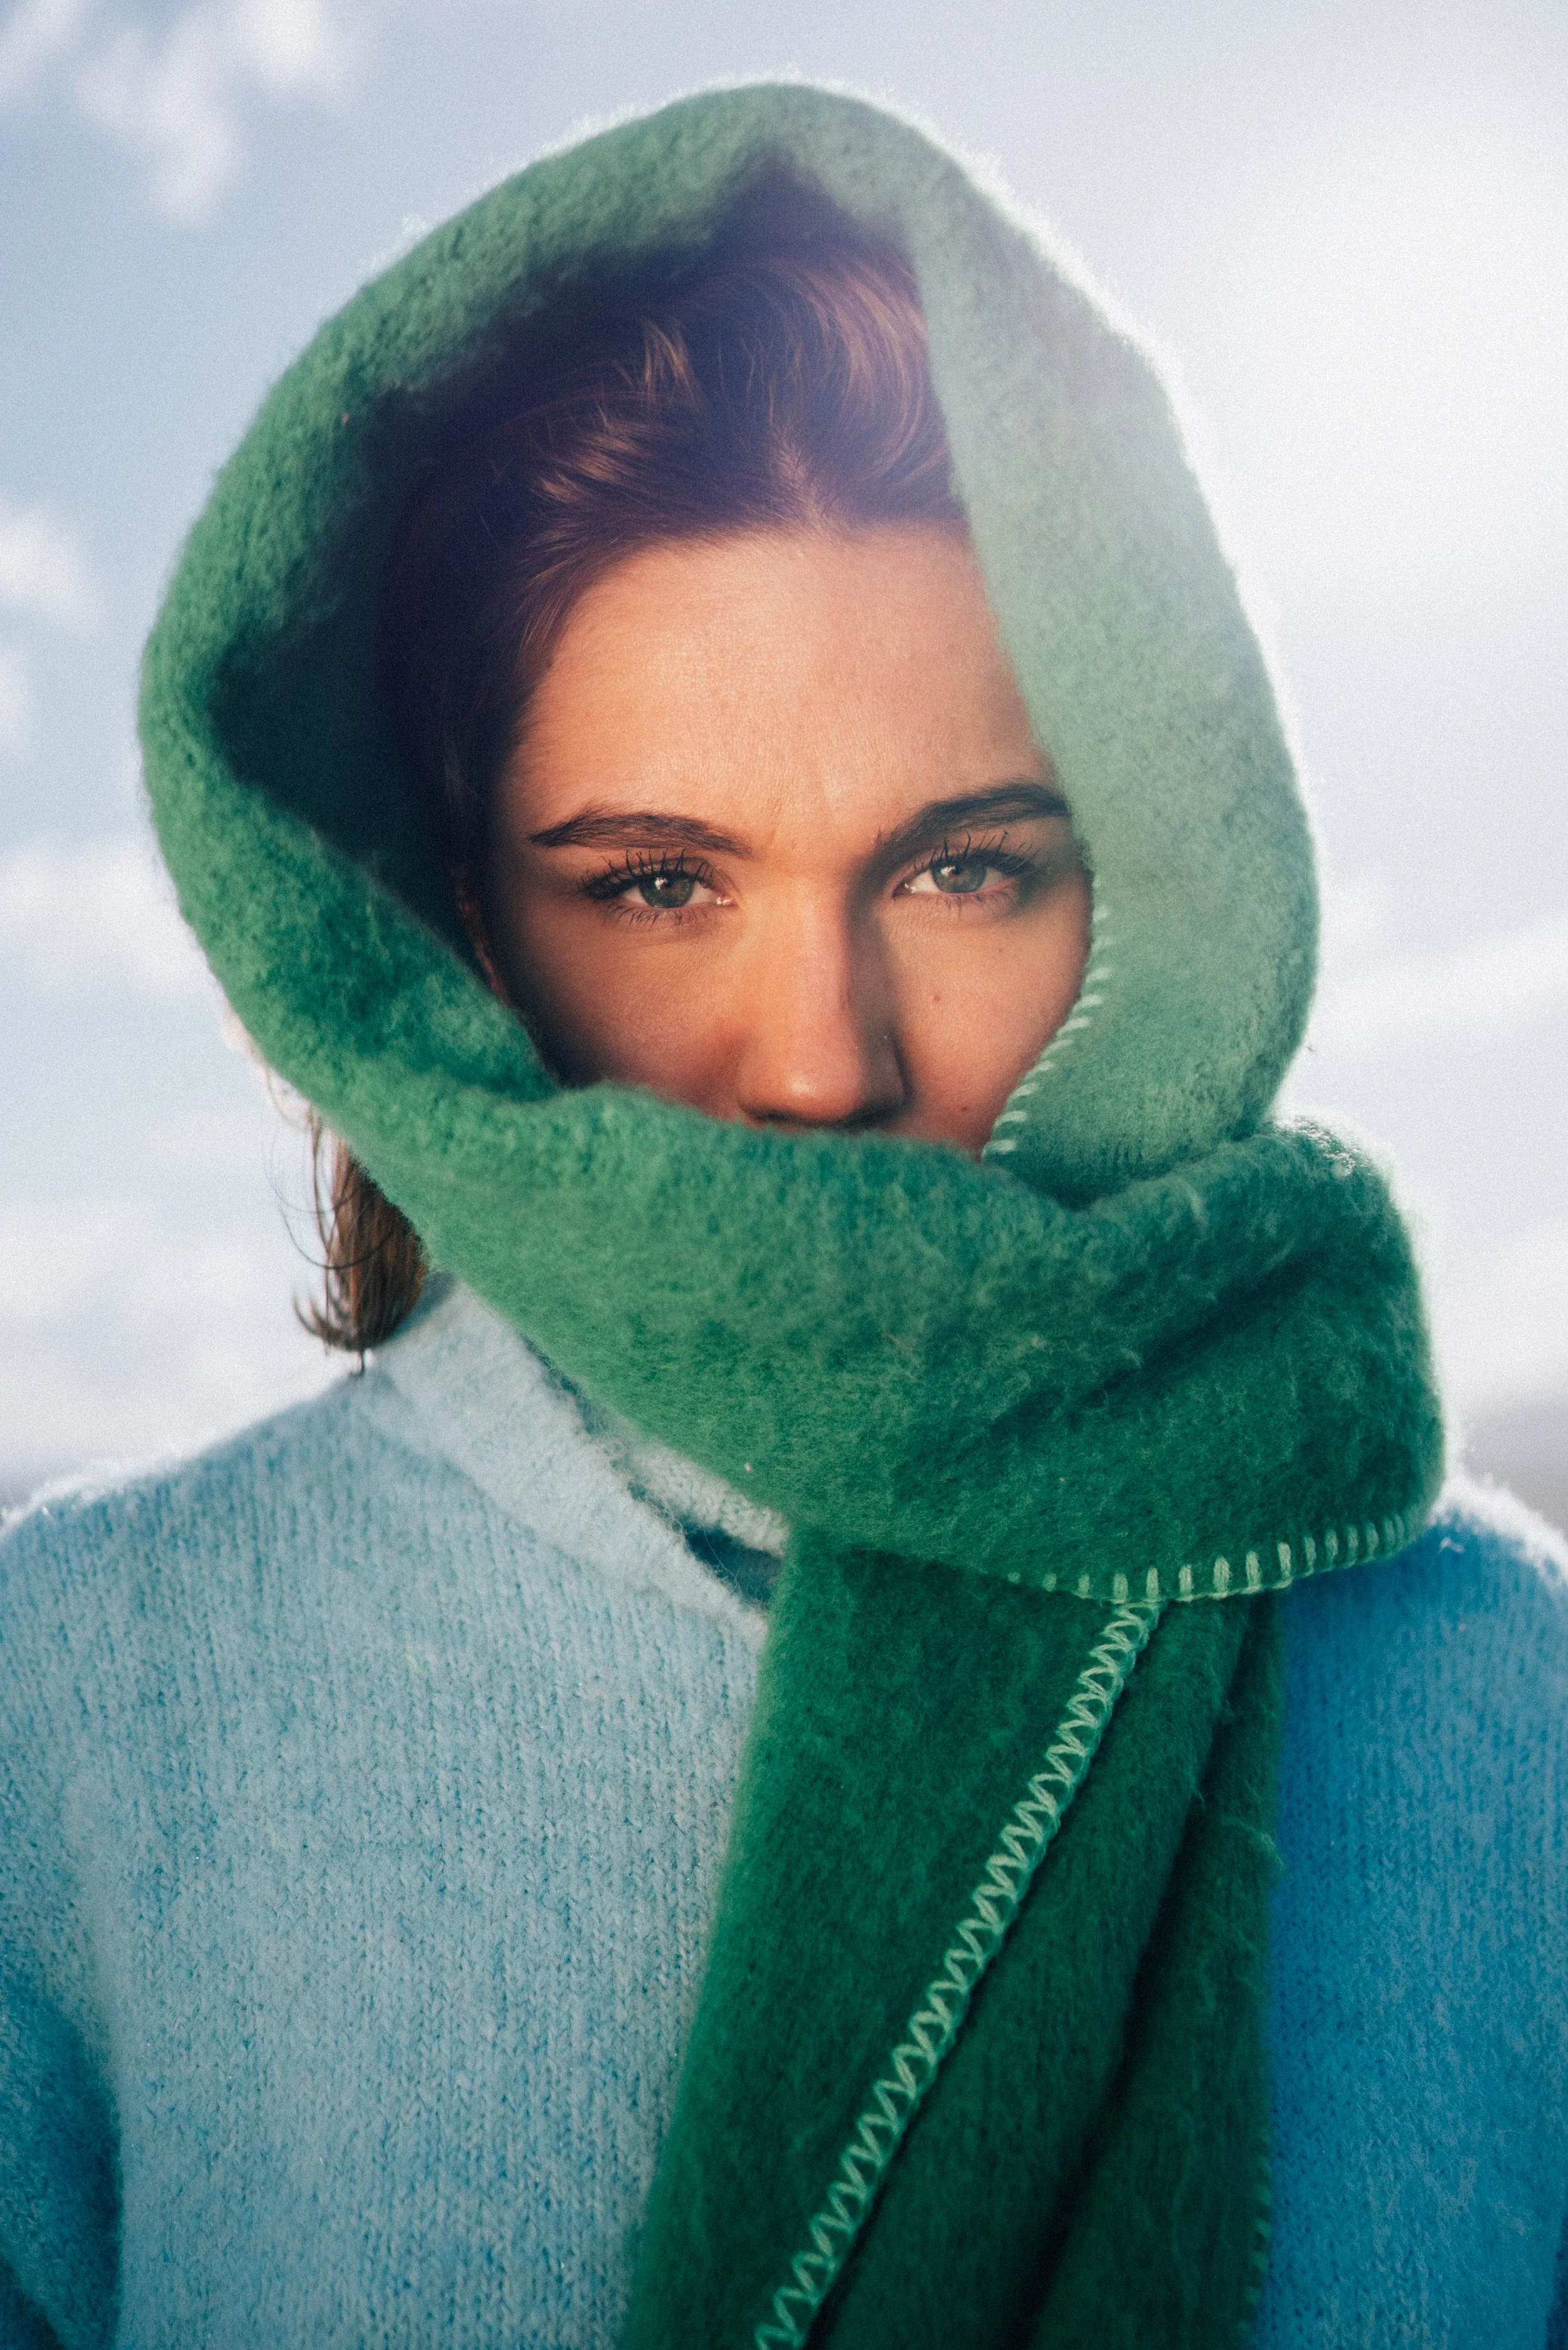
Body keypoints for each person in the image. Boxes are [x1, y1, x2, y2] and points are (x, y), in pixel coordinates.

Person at [1, 82, 1563, 2350]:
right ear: (460, 935)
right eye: (655, 884)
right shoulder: (85, 1688)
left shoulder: (1498, 1694)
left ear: (1151, 882)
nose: (818, 1060)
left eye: (961, 868)